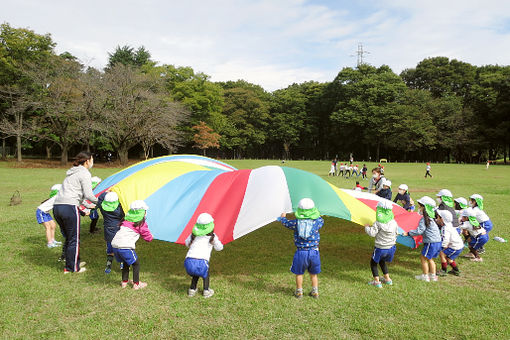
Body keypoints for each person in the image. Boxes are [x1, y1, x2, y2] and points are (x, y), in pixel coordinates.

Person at [53, 151, 98, 273]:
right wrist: (100, 201)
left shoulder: (72, 173)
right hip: (69, 207)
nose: (92, 162)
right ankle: (72, 268)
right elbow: (88, 194)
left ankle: (72, 262)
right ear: (87, 161)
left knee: (69, 237)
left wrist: (88, 205)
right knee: (74, 239)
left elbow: (78, 196)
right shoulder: (85, 173)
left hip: (57, 207)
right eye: (92, 160)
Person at [278, 198, 324, 299]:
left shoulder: (296, 223)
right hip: (314, 252)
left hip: (301, 253)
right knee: (313, 274)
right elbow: (321, 220)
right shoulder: (317, 222)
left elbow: (286, 223)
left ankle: (299, 291)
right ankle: (315, 291)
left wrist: (283, 218)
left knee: (299, 273)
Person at [111, 200, 153, 289]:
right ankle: (136, 284)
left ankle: (124, 282)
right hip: (125, 246)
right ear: (143, 213)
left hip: (114, 245)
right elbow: (147, 236)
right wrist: (150, 238)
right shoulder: (141, 224)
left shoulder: (126, 221)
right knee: (136, 264)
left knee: (126, 262)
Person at [184, 213, 224, 298]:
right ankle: (206, 291)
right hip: (202, 262)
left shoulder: (193, 235)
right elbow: (219, 248)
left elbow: (187, 243)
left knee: (196, 272)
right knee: (205, 273)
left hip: (188, 262)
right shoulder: (212, 237)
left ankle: (192, 289)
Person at [403, 196, 441, 282]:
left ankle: (425, 276)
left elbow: (420, 231)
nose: (419, 208)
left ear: (425, 208)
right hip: (437, 242)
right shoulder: (431, 218)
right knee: (430, 258)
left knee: (423, 258)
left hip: (431, 242)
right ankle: (433, 276)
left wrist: (408, 233)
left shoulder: (424, 219)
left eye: (420, 206)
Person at [364, 200, 399, 288]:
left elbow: (372, 233)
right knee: (382, 261)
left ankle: (377, 282)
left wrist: (367, 227)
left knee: (373, 263)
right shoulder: (394, 222)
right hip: (391, 247)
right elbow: (396, 233)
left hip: (380, 248)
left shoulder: (378, 222)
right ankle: (387, 279)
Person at [97, 191, 125, 274]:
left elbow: (100, 198)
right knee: (120, 247)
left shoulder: (102, 208)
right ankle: (122, 264)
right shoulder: (119, 210)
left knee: (110, 249)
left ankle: (108, 266)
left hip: (108, 230)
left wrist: (107, 192)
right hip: (118, 230)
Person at [435, 210, 463, 276]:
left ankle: (444, 270)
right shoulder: (450, 225)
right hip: (457, 245)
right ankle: (456, 270)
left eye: (438, 217)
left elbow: (445, 239)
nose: (437, 219)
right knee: (449, 258)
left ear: (442, 219)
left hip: (455, 246)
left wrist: (443, 246)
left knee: (442, 254)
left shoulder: (445, 228)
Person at [36, 184, 63, 248]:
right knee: (48, 227)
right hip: (41, 212)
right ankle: (49, 243)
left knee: (53, 225)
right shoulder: (57, 197)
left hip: (46, 212)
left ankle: (53, 240)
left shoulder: (57, 197)